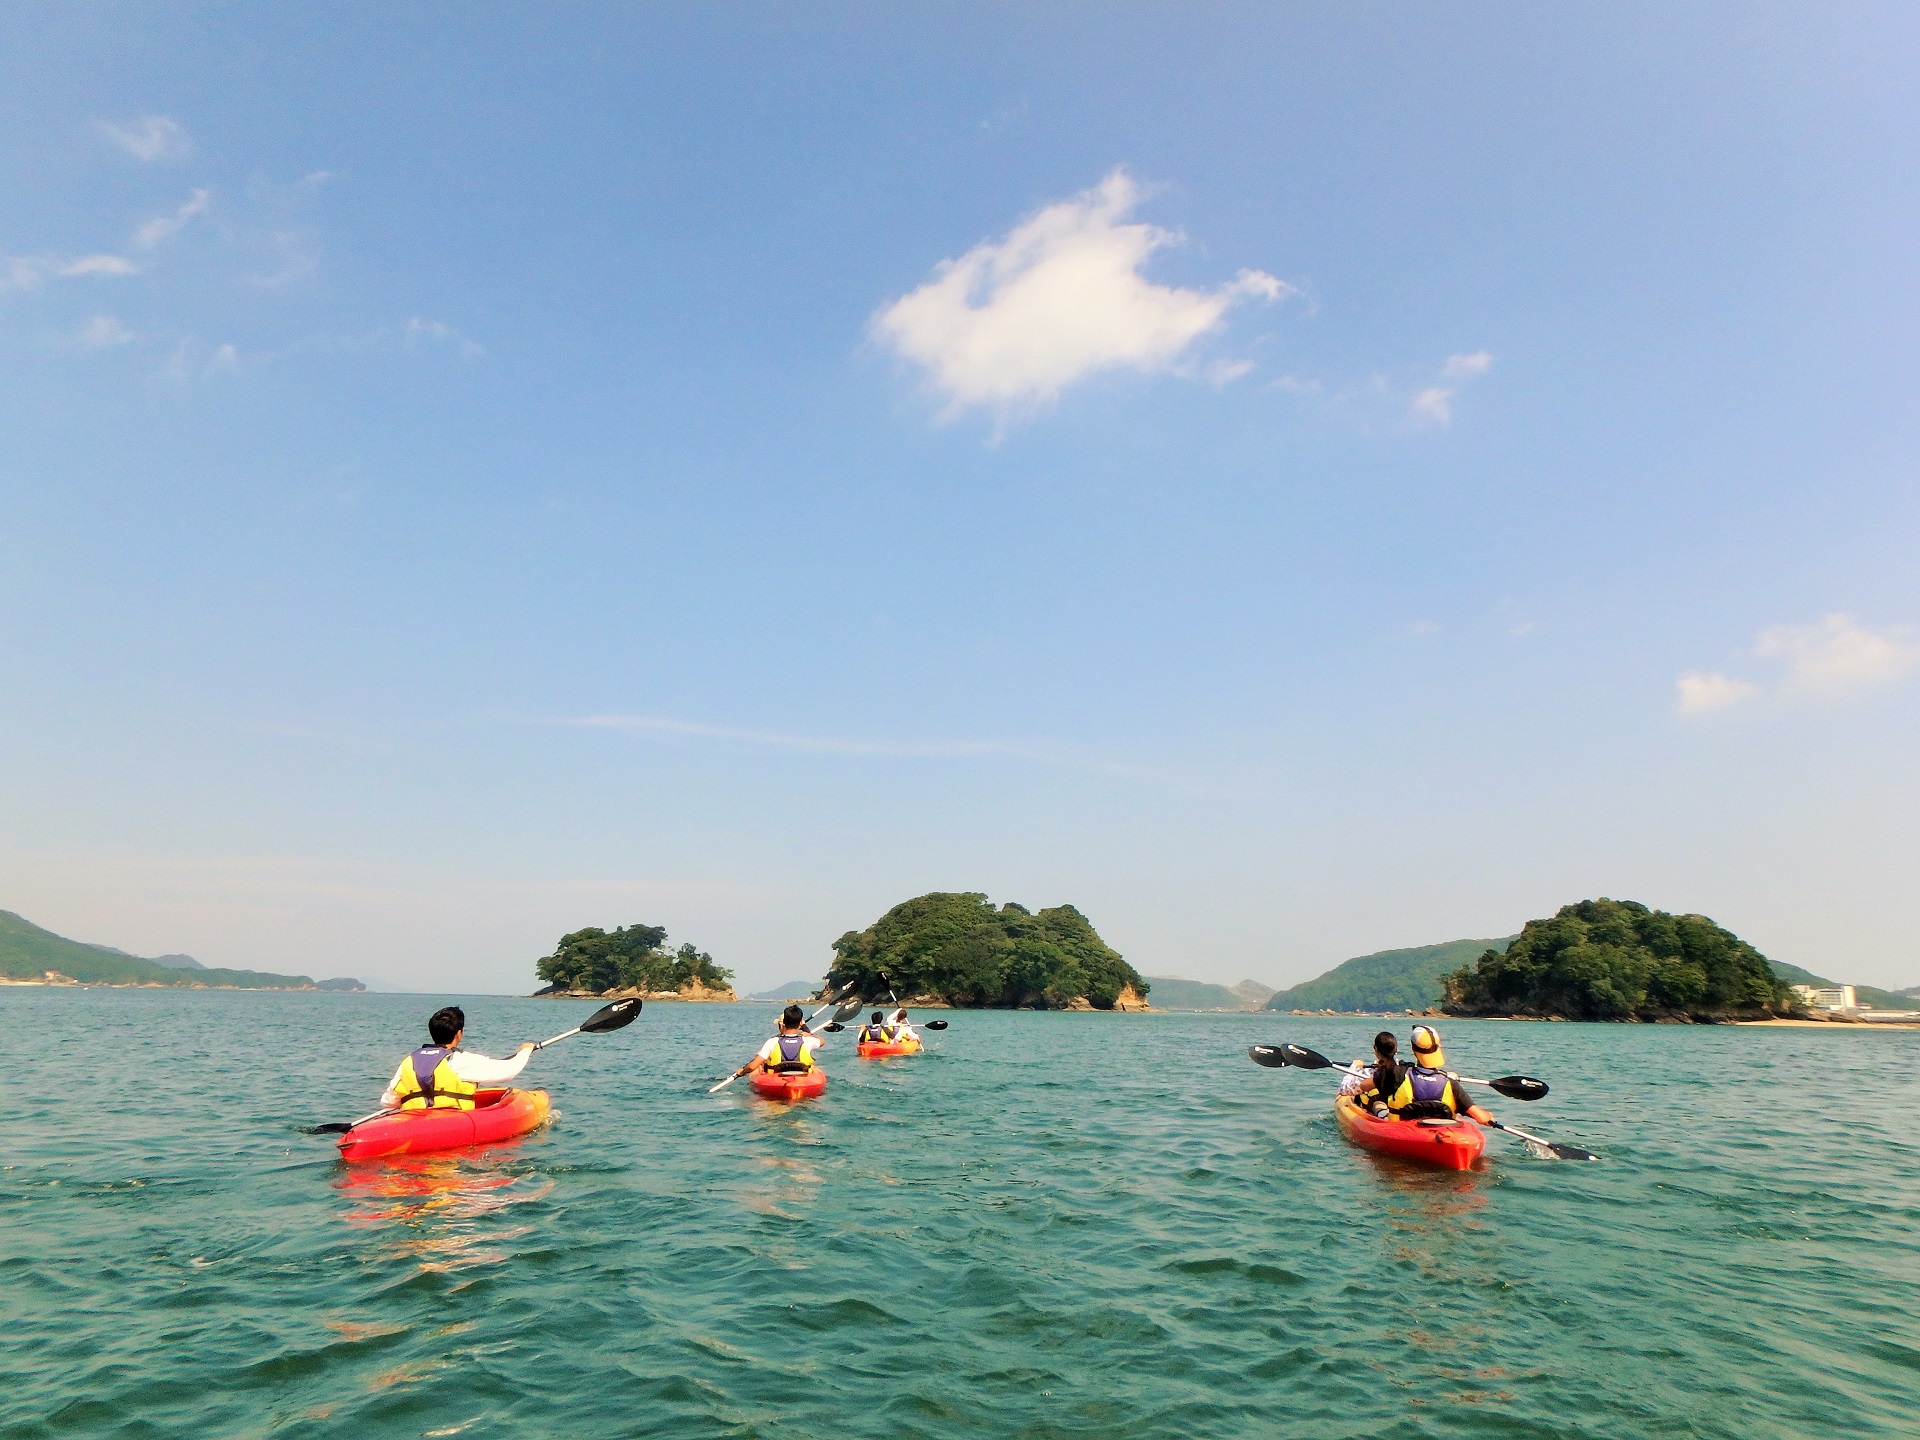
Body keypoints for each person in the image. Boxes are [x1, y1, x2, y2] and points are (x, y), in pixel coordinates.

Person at [380, 1005, 537, 1110]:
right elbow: (508, 1071)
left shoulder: (409, 1061)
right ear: (459, 1033)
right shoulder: (460, 1060)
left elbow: (388, 1102)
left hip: (414, 1121)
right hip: (450, 1124)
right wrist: (526, 1051)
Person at [1360, 1023, 1494, 1125]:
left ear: (1413, 1049)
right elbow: (1481, 1118)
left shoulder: (1398, 1073)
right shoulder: (1449, 1082)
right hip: (1440, 1132)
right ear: (1438, 1048)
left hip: (1402, 1130)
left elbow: (1364, 1086)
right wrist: (1488, 1116)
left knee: (1375, 1100)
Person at [731, 1003, 825, 1082]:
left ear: (783, 1022)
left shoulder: (772, 1042)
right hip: (801, 1079)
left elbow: (752, 1067)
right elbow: (822, 1041)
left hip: (776, 1079)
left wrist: (741, 1072)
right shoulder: (808, 1041)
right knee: (812, 1067)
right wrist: (809, 1034)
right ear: (800, 1023)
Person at [1339, 1031, 1400, 1098]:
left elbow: (1343, 1089)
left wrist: (1354, 1067)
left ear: (1375, 1049)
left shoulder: (1370, 1073)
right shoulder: (1404, 1070)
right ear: (1396, 1049)